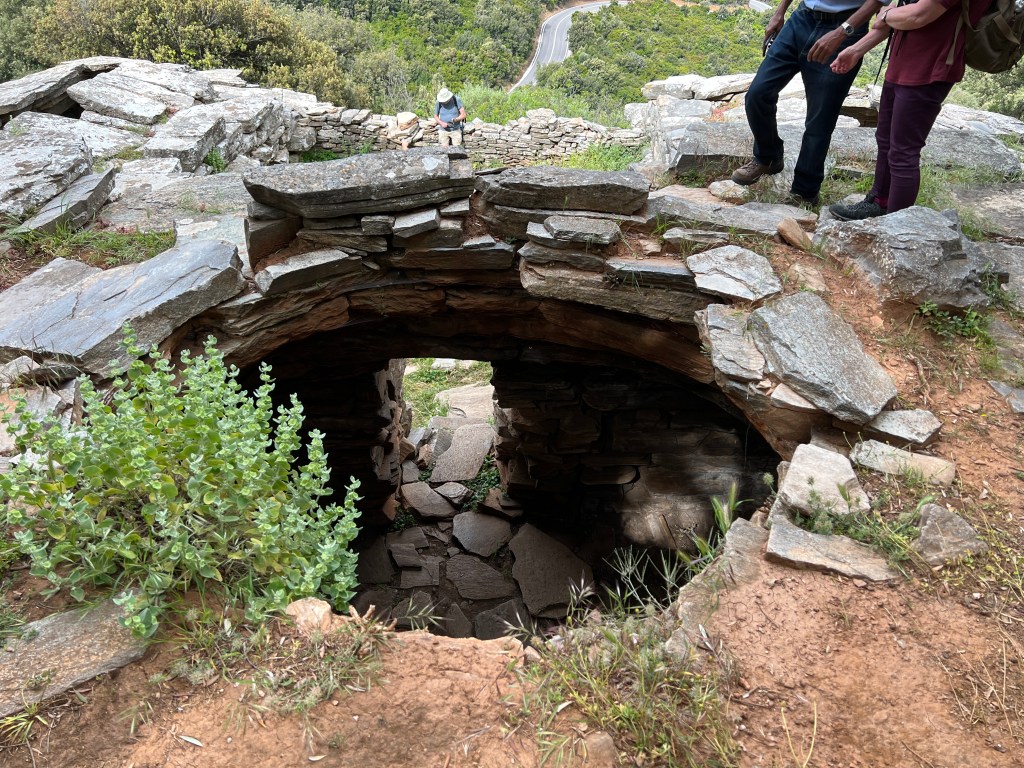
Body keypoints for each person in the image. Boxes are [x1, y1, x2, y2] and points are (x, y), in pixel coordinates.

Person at [827, 0, 992, 220]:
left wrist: (887, 15)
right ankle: (879, 202)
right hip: (902, 62)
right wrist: (857, 49)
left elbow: (918, 14)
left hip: (929, 69)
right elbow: (902, 13)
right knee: (885, 140)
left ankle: (897, 226)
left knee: (903, 153)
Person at [731, 0, 884, 206]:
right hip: (802, 18)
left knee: (820, 118)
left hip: (845, 27)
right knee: (758, 94)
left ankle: (805, 192)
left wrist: (842, 32)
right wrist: (780, 11)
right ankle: (768, 157)